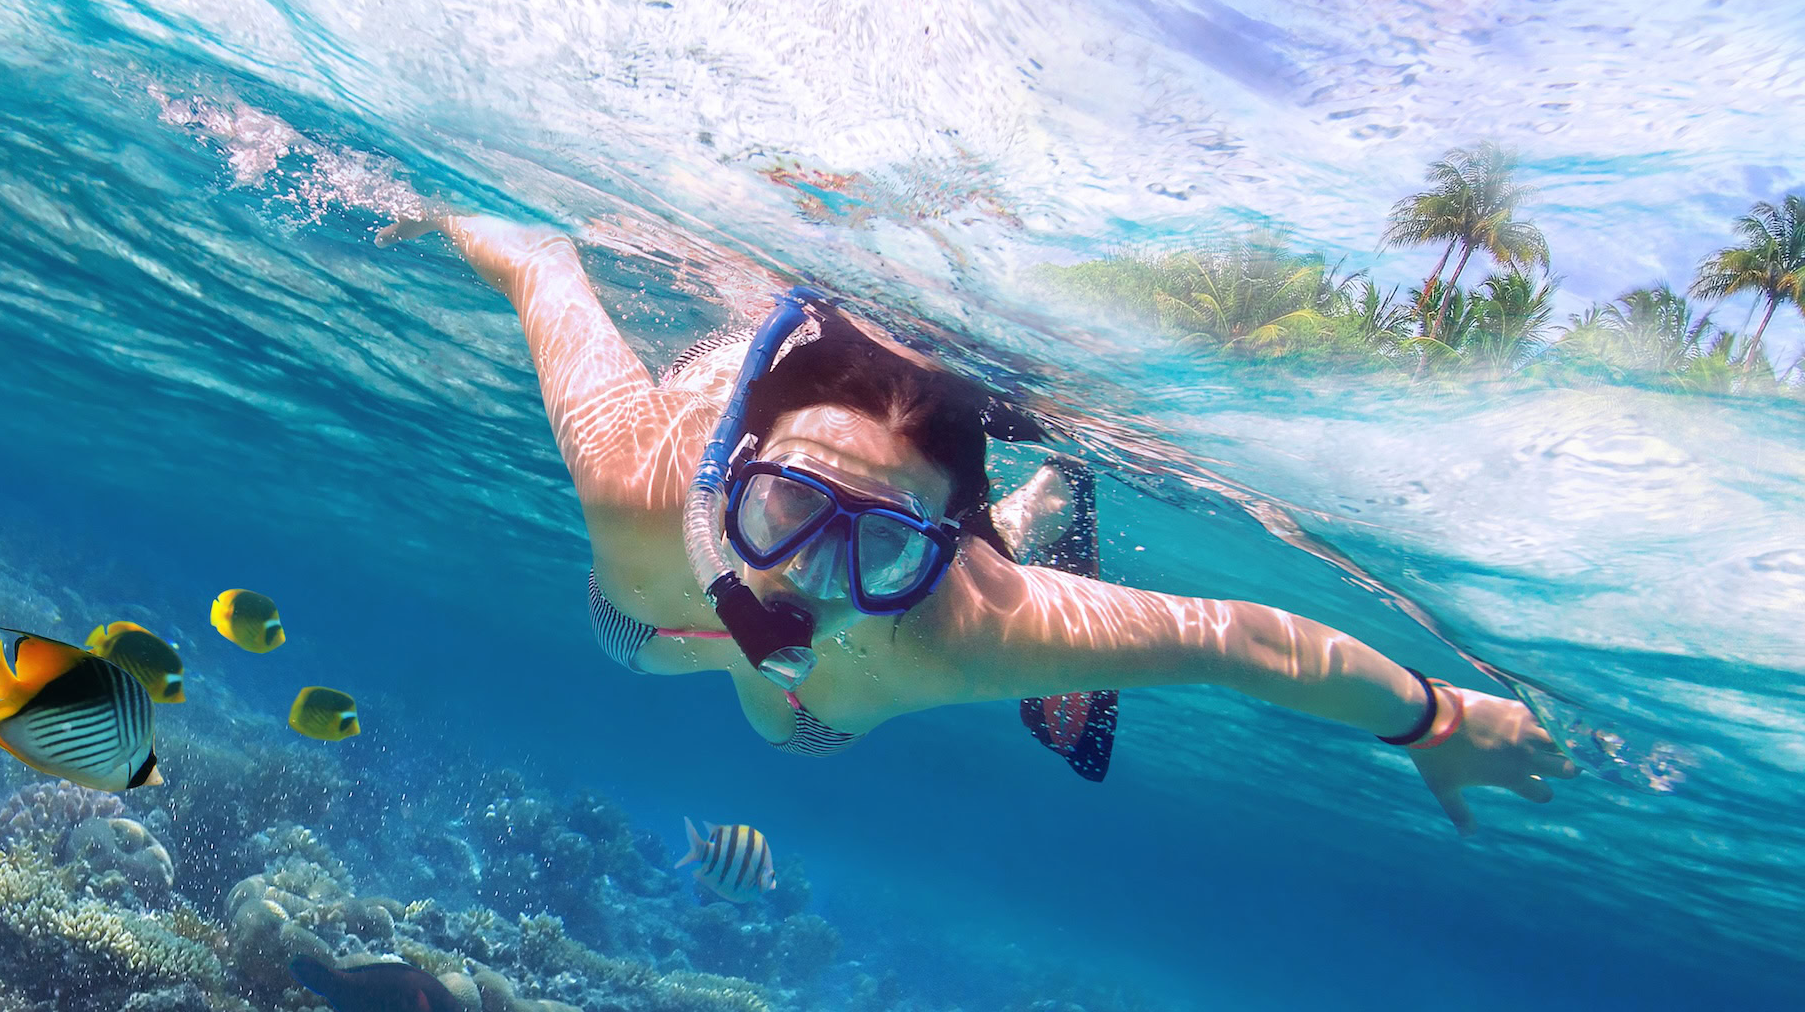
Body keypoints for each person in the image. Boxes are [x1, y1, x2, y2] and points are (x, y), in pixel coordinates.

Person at [376, 212, 1577, 832]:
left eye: (886, 546)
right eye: (786, 504)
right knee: (625, 634)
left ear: (951, 547)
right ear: (728, 466)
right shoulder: (636, 482)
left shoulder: (968, 623)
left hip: (832, 691)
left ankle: (1036, 502)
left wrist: (1434, 717)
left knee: (798, 728)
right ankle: (1015, 503)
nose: (807, 576)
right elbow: (545, 266)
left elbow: (1240, 641)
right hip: (657, 602)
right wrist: (447, 223)